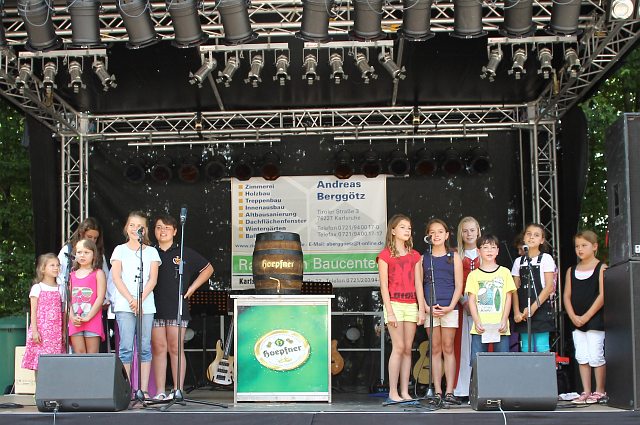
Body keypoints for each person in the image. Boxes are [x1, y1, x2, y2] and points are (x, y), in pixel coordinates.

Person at [151, 214, 214, 400]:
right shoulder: (149, 252)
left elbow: (208, 268)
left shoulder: (183, 252)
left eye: (167, 228)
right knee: (158, 348)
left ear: (175, 231)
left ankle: (178, 390)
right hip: (153, 307)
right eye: (159, 227)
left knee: (175, 348)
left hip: (177, 306)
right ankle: (160, 391)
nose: (162, 231)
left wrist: (192, 288)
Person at [110, 211, 161, 399]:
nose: (134, 229)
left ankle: (143, 390)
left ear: (145, 230)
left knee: (145, 347)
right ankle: (127, 391)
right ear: (126, 227)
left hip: (146, 305)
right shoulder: (119, 250)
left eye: (139, 226)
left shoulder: (152, 252)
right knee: (125, 348)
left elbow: (152, 280)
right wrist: (131, 300)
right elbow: (116, 277)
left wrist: (140, 299)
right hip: (125, 305)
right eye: (131, 225)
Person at [377, 214, 425, 405]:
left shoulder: (415, 256)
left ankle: (405, 391)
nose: (407, 231)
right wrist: (389, 311)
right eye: (402, 227)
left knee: (407, 348)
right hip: (394, 304)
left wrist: (421, 308)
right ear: (393, 231)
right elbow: (383, 286)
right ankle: (392, 391)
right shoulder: (385, 255)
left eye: (409, 228)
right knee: (398, 347)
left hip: (411, 304)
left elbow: (419, 283)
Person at [421, 218, 463, 404]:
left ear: (447, 235)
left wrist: (451, 306)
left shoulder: (454, 257)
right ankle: (437, 391)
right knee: (435, 348)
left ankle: (449, 391)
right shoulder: (424, 259)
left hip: (449, 308)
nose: (436, 235)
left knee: (448, 348)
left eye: (440, 232)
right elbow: (419, 286)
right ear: (427, 236)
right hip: (430, 309)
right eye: (432, 232)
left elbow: (459, 285)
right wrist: (426, 307)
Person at [563, 230, 607, 405]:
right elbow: (566, 296)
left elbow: (602, 295)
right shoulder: (571, 270)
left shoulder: (601, 268)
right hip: (577, 320)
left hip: (594, 319)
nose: (580, 249)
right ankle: (586, 390)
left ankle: (600, 390)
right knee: (582, 356)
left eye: (584, 245)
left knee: (596, 354)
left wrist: (587, 316)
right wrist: (573, 316)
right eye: (577, 246)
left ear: (594, 247)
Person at [466, 234, 517, 364]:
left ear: (498, 251)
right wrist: (476, 321)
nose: (489, 251)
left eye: (493, 247)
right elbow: (471, 300)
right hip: (480, 326)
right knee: (477, 363)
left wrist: (504, 319)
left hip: (500, 325)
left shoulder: (505, 272)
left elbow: (508, 298)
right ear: (478, 251)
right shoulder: (473, 275)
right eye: (485, 247)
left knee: (502, 362)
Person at [511, 223, 556, 352]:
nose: (531, 237)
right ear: (524, 237)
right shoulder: (518, 261)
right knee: (526, 347)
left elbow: (549, 287)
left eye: (536, 235)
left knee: (542, 347)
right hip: (523, 312)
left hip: (540, 309)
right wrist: (516, 312)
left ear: (542, 240)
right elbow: (514, 289)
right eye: (529, 234)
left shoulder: (546, 258)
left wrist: (533, 308)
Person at [453, 216, 481, 398]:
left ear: (478, 231)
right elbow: (454, 281)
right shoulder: (455, 254)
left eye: (472, 230)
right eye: (465, 231)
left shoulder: (486, 251)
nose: (469, 234)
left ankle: (482, 389)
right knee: (462, 348)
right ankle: (462, 389)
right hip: (461, 306)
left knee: (482, 348)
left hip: (483, 308)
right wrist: (464, 302)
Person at [22, 254, 64, 372]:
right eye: (52, 265)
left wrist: (64, 331)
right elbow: (34, 311)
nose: (56, 268)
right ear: (42, 269)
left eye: (57, 265)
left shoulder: (60, 288)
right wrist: (34, 331)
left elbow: (63, 311)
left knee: (55, 362)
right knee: (40, 362)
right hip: (41, 331)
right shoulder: (37, 288)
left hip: (56, 332)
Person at [68, 239, 107, 354]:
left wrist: (88, 317)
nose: (82, 255)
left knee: (92, 354)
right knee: (79, 353)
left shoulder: (98, 273)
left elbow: (100, 297)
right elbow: (68, 299)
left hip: (92, 319)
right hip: (76, 320)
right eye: (79, 252)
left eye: (86, 252)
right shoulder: (71, 275)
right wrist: (72, 317)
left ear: (94, 255)